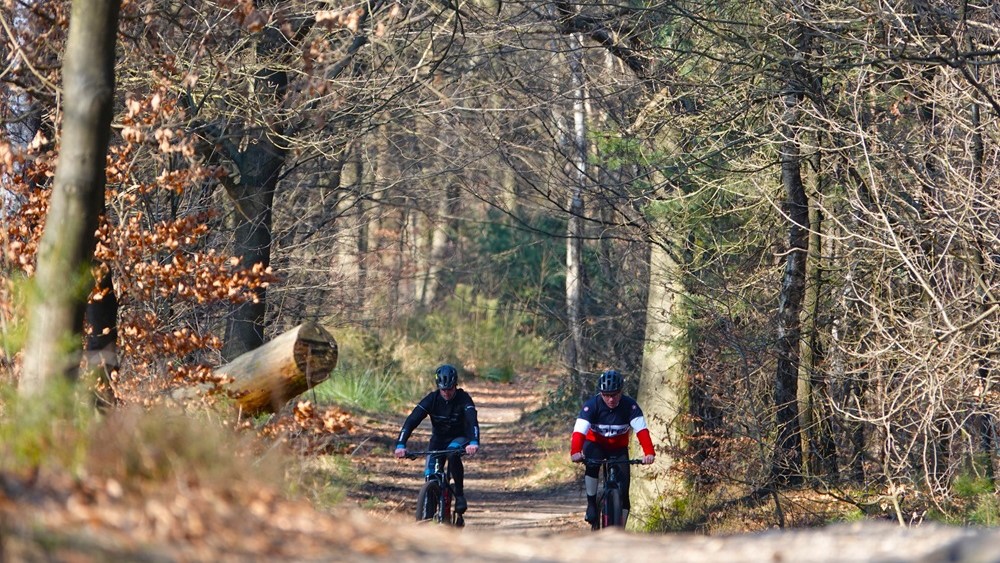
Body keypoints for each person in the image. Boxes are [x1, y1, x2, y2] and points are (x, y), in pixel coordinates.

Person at [570, 369, 655, 527]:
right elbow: (579, 432)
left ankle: (620, 530)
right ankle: (591, 504)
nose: (610, 399)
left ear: (621, 392)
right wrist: (576, 451)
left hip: (618, 448)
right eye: (606, 395)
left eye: (614, 394)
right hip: (595, 444)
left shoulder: (630, 407)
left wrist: (649, 452)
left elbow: (642, 431)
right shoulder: (591, 406)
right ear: (601, 393)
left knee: (624, 491)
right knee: (592, 464)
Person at [394, 364, 480, 514]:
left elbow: (473, 421)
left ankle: (459, 494)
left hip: (460, 437)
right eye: (443, 389)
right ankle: (428, 511)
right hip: (438, 440)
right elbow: (412, 421)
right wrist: (401, 444)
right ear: (438, 387)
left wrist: (474, 442)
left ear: (455, 385)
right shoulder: (432, 399)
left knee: (452, 453)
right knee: (430, 475)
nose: (446, 393)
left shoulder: (463, 399)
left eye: (450, 389)